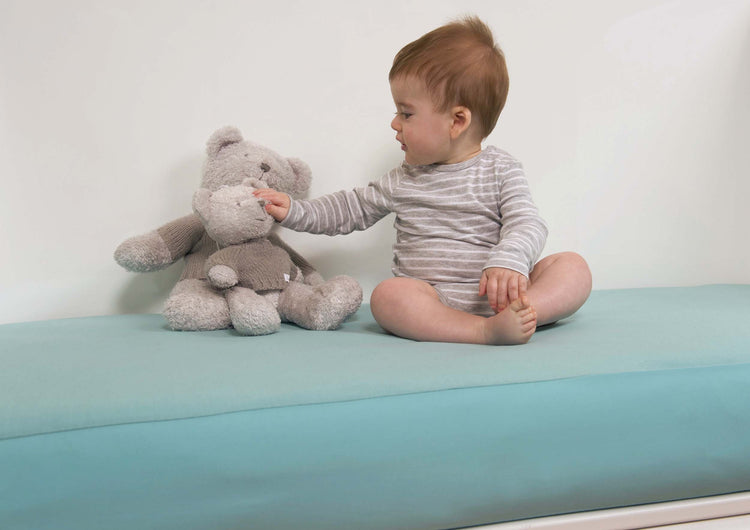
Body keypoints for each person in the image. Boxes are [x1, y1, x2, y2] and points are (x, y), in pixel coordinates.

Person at [255, 16, 592, 345]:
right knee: (388, 296)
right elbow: (350, 208)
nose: (395, 123)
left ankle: (525, 313)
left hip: (503, 294)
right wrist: (296, 210)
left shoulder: (500, 170)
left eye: (406, 113)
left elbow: (527, 222)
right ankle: (482, 331)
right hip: (435, 301)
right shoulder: (403, 180)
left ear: (457, 121)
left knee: (573, 268)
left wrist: (509, 260)